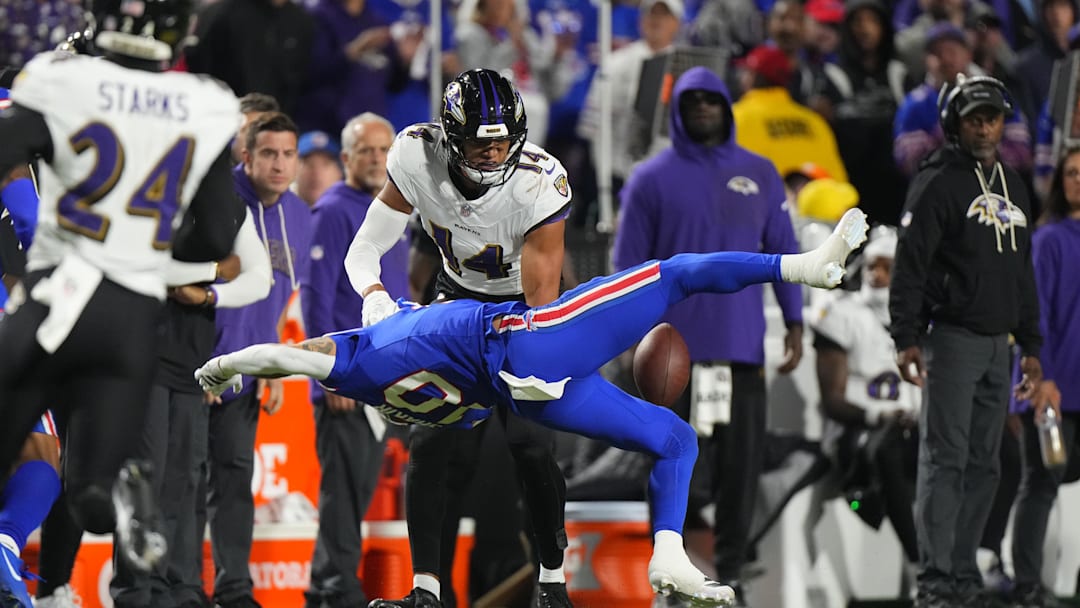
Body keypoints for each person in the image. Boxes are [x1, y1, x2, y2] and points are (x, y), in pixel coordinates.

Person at [197, 208, 869, 608]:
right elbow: (303, 352)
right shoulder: (370, 350)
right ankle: (803, 267)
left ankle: (667, 553)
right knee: (674, 275)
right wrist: (227, 363)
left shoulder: (379, 367)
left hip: (524, 393)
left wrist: (232, 362)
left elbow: (313, 343)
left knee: (674, 439)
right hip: (531, 345)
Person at [0, 0, 244, 585]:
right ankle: (115, 486)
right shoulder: (205, 102)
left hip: (57, 294)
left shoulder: (63, 78)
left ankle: (15, 550)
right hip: (131, 316)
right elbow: (215, 231)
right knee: (84, 483)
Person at [344, 69, 572, 608]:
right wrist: (375, 296)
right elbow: (364, 250)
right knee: (432, 441)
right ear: (450, 137)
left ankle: (552, 582)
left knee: (531, 446)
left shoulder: (540, 181)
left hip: (526, 307)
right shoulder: (415, 155)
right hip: (456, 297)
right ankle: (426, 590)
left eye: (501, 143)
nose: (492, 155)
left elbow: (540, 300)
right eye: (479, 143)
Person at [614, 65, 805, 601]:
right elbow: (627, 268)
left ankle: (732, 573)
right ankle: (672, 575)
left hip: (743, 351)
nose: (702, 108)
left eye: (711, 100)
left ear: (727, 106)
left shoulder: (761, 173)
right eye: (691, 100)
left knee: (740, 473)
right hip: (675, 359)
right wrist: (627, 336)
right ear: (676, 108)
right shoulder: (650, 179)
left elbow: (784, 255)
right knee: (674, 470)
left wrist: (795, 319)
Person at [889, 74, 1043, 608]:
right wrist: (905, 336)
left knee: (987, 464)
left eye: (992, 116)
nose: (984, 125)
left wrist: (1032, 344)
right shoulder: (936, 181)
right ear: (954, 122)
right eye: (974, 116)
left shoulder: (1016, 186)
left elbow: (1023, 274)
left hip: (999, 344)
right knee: (945, 458)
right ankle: (935, 581)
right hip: (951, 340)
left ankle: (962, 574)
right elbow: (910, 265)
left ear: (1003, 122)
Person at [203, 111, 312, 608]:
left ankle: (233, 590)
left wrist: (271, 366)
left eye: (288, 154)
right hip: (196, 368)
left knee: (233, 483)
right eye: (268, 153)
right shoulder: (216, 197)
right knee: (178, 485)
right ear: (245, 156)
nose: (280, 164)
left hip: (246, 372)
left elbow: (280, 299)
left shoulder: (299, 215)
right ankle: (173, 588)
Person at [300, 112, 406, 608]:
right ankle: (335, 592)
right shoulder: (334, 209)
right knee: (343, 497)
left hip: (383, 378)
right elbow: (315, 299)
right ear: (346, 158)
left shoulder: (391, 209)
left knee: (356, 494)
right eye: (366, 150)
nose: (377, 159)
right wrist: (329, 377)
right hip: (348, 378)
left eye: (385, 150)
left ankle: (329, 587)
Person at [811, 228, 921, 580]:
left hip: (907, 430)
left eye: (888, 268)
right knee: (886, 447)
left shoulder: (918, 321)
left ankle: (978, 557)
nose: (877, 275)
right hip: (855, 434)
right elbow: (832, 401)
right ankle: (921, 563)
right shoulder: (843, 314)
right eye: (873, 266)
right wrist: (879, 416)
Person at [1006, 146, 1080, 608]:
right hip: (1054, 389)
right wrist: (1042, 378)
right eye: (1071, 172)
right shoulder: (1048, 240)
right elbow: (1035, 316)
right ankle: (1027, 587)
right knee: (1040, 486)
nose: (1077, 179)